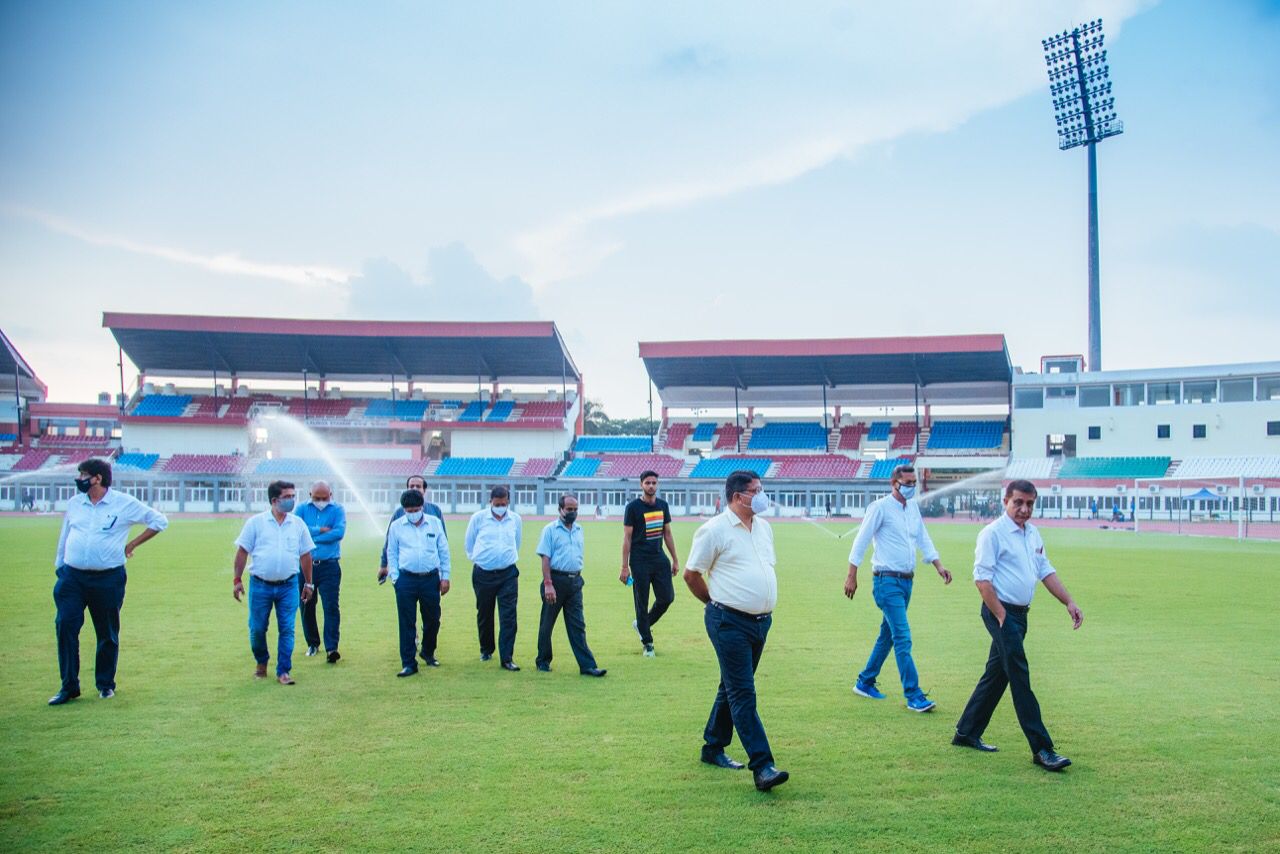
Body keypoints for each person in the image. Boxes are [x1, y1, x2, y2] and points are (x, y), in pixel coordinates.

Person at [952, 480, 1084, 772]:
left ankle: (966, 732)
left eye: (1030, 504)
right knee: (1019, 676)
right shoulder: (992, 534)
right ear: (1005, 502)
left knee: (997, 675)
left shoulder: (1032, 533)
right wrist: (1001, 615)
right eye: (1018, 503)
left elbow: (1045, 570)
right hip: (1000, 612)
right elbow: (982, 580)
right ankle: (1042, 749)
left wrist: (1069, 602)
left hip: (1019, 615)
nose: (1024, 509)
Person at [683, 470, 788, 792]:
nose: (762, 495)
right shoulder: (714, 530)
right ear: (738, 496)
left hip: (760, 622)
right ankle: (763, 766)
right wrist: (715, 604)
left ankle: (712, 746)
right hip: (728, 622)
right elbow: (691, 575)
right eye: (756, 490)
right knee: (743, 692)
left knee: (731, 685)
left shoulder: (764, 528)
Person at [49, 459, 168, 705]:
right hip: (72, 577)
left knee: (107, 632)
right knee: (65, 625)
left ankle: (105, 684)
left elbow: (159, 521)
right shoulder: (75, 503)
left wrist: (132, 544)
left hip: (108, 578)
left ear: (98, 478)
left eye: (84, 475)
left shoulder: (123, 503)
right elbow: (65, 534)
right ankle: (68, 686)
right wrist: (60, 565)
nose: (79, 479)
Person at [844, 465, 952, 712]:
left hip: (906, 582)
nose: (912, 486)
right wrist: (851, 576)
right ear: (894, 483)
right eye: (907, 482)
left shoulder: (912, 508)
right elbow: (861, 541)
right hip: (886, 582)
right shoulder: (880, 508)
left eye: (914, 482)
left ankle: (865, 681)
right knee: (902, 637)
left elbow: (923, 538)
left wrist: (939, 565)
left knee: (888, 636)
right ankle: (913, 695)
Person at [233, 481, 315, 685]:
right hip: (260, 585)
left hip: (289, 585)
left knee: (287, 628)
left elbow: (305, 555)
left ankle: (283, 671)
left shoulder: (298, 524)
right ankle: (261, 663)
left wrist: (308, 584)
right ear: (274, 500)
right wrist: (237, 579)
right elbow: (242, 551)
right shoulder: (256, 523)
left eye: (293, 496)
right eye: (287, 497)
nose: (292, 500)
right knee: (257, 628)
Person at [534, 494, 605, 677]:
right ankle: (543, 661)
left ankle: (587, 666)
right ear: (560, 510)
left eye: (575, 509)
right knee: (547, 624)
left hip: (575, 582)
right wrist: (548, 584)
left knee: (578, 625)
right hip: (555, 581)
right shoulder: (550, 530)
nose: (572, 512)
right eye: (569, 509)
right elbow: (545, 558)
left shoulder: (579, 529)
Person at [382, 489, 450, 677]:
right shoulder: (396, 526)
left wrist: (445, 577)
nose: (413, 514)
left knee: (433, 619)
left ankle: (428, 651)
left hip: (430, 578)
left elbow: (444, 551)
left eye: (416, 510)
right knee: (406, 622)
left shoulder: (434, 523)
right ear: (404, 510)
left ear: (422, 507)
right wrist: (395, 578)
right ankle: (408, 663)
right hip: (406, 579)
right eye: (409, 511)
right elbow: (392, 552)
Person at [621, 470, 680, 657]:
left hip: (659, 559)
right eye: (647, 483)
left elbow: (667, 533)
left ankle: (641, 625)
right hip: (639, 561)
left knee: (667, 598)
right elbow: (627, 538)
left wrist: (675, 559)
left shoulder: (663, 505)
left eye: (654, 483)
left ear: (658, 484)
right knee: (642, 602)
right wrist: (624, 566)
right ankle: (648, 644)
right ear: (641, 485)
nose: (651, 486)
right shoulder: (633, 508)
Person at [464, 486, 522, 671]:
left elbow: (517, 542)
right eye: (497, 504)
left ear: (508, 502)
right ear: (490, 502)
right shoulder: (478, 518)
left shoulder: (515, 519)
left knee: (509, 616)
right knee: (485, 613)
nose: (500, 507)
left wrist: (504, 558)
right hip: (483, 573)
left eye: (503, 504)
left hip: (508, 574)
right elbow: (469, 543)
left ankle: (507, 658)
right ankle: (486, 649)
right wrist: (482, 560)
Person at [296, 480, 346, 662]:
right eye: (317, 498)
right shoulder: (301, 509)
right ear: (310, 495)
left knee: (331, 606)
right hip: (304, 565)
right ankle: (312, 643)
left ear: (330, 495)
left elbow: (338, 533)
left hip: (329, 565)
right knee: (306, 605)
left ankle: (332, 648)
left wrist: (310, 537)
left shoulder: (337, 510)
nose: (321, 501)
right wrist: (321, 530)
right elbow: (297, 530)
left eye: (324, 498)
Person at [380, 475, 446, 575]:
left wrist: (444, 573)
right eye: (411, 486)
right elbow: (390, 542)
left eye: (418, 486)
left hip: (431, 573)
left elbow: (443, 542)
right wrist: (383, 565)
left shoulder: (435, 511)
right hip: (405, 573)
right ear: (407, 489)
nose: (414, 488)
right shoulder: (399, 513)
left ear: (424, 490)